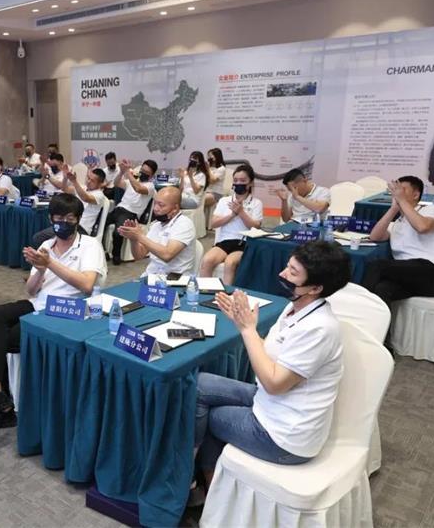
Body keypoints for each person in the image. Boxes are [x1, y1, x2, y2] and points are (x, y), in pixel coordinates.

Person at [194, 241, 350, 499]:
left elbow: (274, 384)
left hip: (284, 436)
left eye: (292, 273)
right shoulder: (296, 307)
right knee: (198, 385)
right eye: (287, 266)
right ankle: (198, 476)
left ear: (315, 288)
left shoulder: (320, 328)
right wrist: (242, 323)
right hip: (271, 404)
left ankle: (209, 490)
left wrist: (248, 330)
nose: (282, 274)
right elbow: (271, 352)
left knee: (207, 417)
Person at [0, 193, 107, 432]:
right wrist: (40, 271)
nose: (64, 223)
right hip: (40, 304)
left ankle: (2, 405)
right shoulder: (46, 246)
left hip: (69, 310)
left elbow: (86, 285)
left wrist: (50, 264)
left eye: (70, 218)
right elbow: (31, 290)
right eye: (58, 218)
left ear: (78, 219)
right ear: (51, 219)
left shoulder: (90, 245)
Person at [363, 176, 434, 310]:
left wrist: (401, 200)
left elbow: (422, 227)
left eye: (402, 190)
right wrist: (393, 209)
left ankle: (358, 310)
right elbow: (375, 237)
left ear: (416, 195)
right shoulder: (397, 223)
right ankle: (378, 324)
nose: (396, 193)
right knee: (382, 288)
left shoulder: (430, 210)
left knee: (378, 266)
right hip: (412, 275)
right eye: (395, 190)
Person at [200, 164, 263, 284]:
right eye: (236, 180)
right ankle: (205, 291)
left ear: (250, 183)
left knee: (230, 263)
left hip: (244, 243)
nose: (238, 183)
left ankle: (226, 294)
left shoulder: (256, 203)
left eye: (243, 181)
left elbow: (256, 227)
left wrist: (241, 212)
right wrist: (232, 215)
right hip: (225, 242)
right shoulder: (224, 201)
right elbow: (214, 223)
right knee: (207, 260)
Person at [118, 186, 197, 276]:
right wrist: (133, 239)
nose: (155, 208)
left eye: (161, 205)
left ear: (175, 208)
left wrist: (140, 236)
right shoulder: (156, 225)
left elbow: (167, 255)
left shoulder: (184, 224)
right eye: (155, 203)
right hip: (152, 275)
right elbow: (139, 256)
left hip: (174, 278)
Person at [31, 167, 106, 247]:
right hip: (69, 223)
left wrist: (74, 181)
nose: (88, 181)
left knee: (39, 238)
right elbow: (65, 189)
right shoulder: (83, 188)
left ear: (100, 184)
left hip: (81, 228)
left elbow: (85, 198)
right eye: (88, 178)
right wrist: (65, 178)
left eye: (92, 181)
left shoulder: (100, 195)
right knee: (40, 236)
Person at [105, 158, 157, 265]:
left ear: (151, 175)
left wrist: (128, 172)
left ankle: (116, 256)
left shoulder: (150, 187)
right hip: (118, 209)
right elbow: (116, 183)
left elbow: (138, 189)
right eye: (142, 170)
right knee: (101, 224)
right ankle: (103, 251)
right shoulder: (132, 181)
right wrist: (121, 172)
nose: (143, 173)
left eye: (146, 172)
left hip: (131, 213)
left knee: (118, 232)